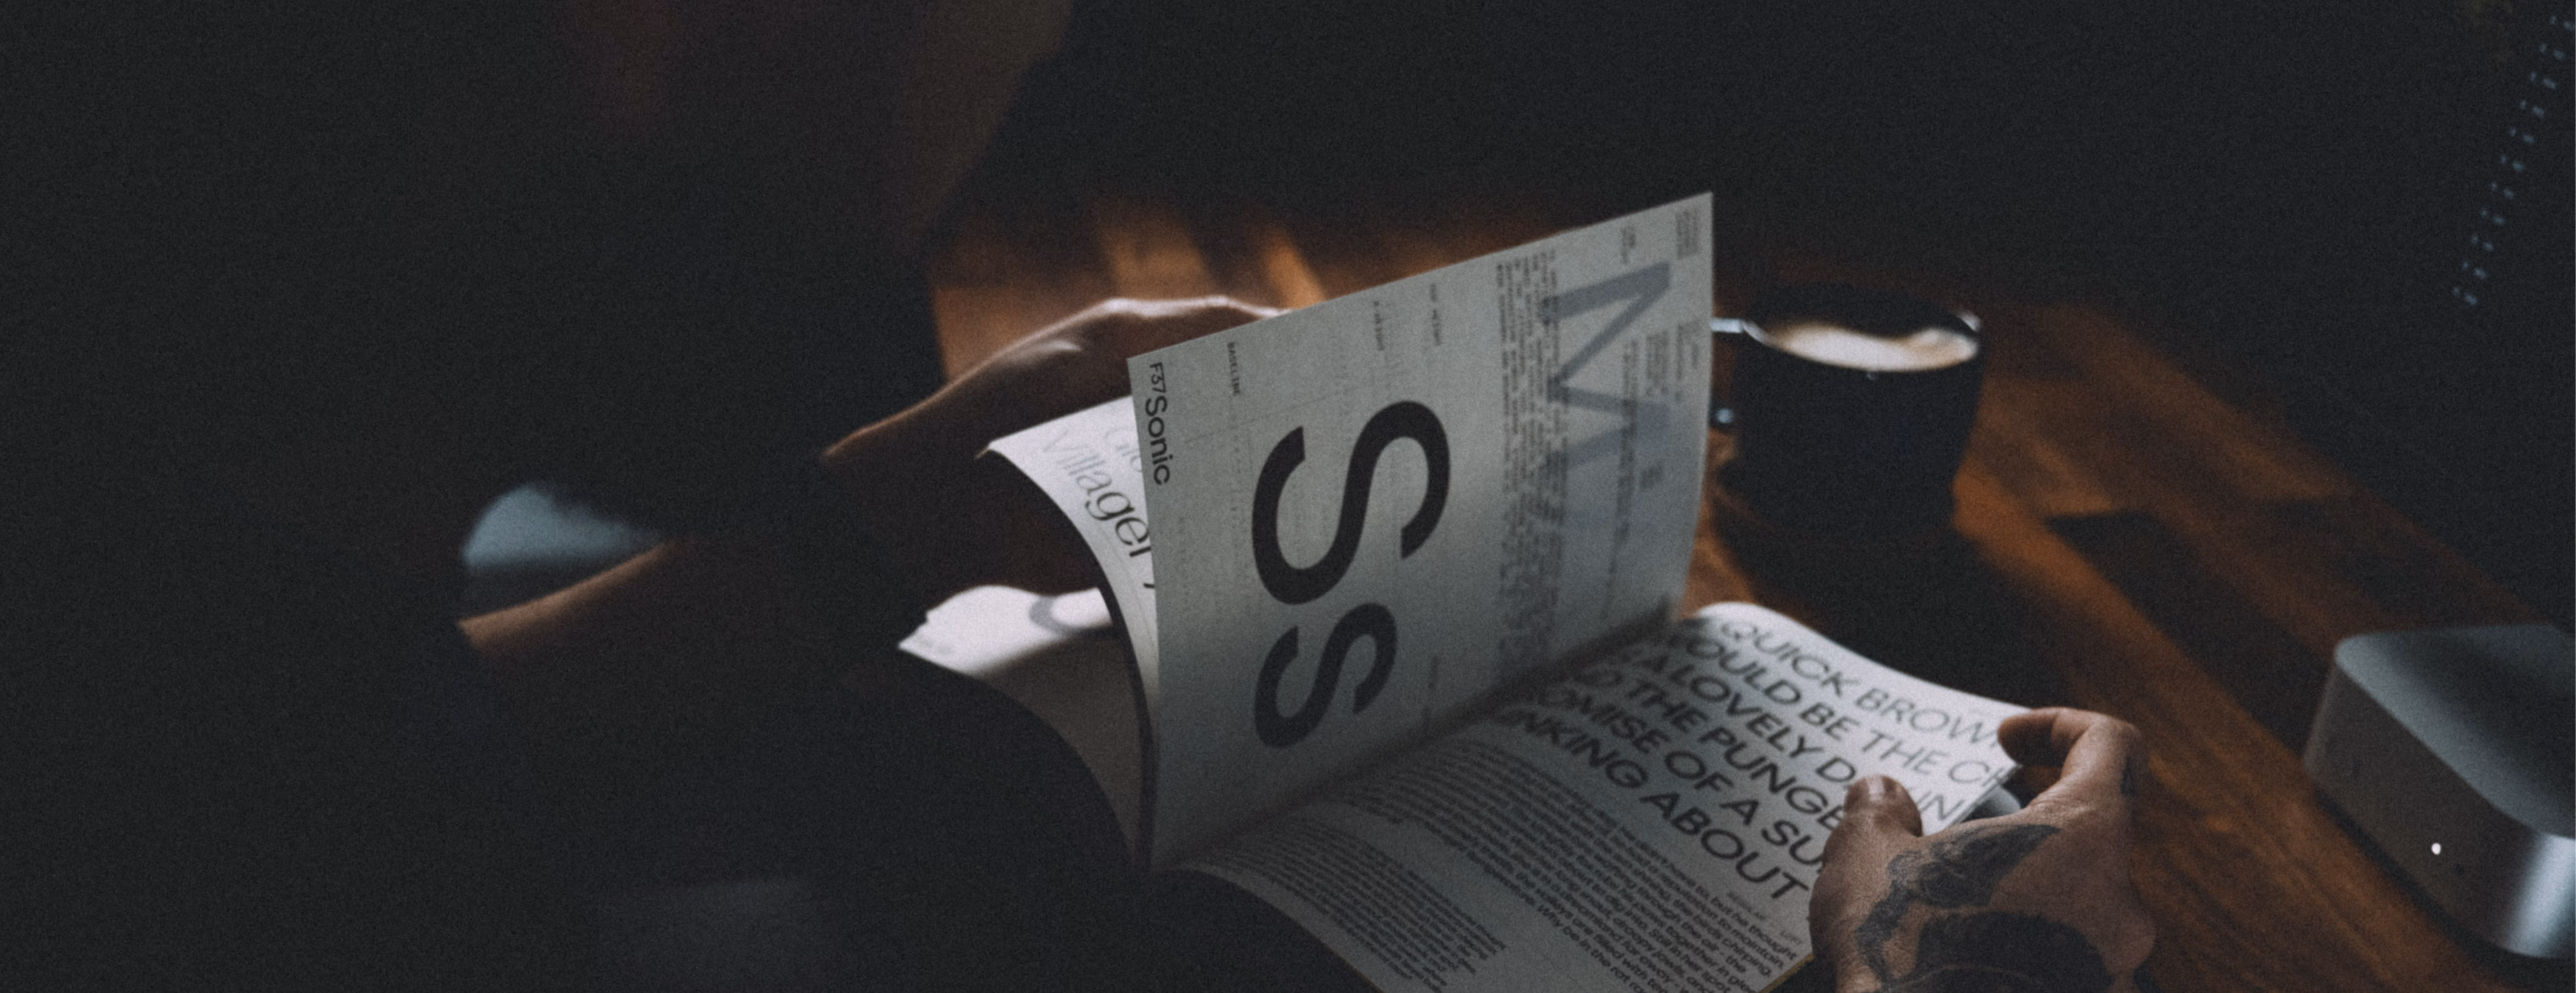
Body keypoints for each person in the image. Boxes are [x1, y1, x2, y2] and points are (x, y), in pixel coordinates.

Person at [4, 0, 2152, 989]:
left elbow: (325, 749)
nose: (1039, 47)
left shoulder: (152, 615)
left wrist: (853, 543)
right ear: (612, 34)